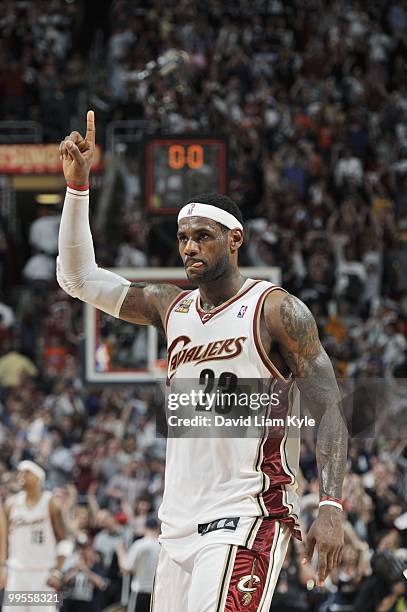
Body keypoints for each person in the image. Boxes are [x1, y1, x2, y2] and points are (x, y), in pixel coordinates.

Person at [57, 111, 347, 611]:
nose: (190, 246)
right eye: (184, 237)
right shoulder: (169, 307)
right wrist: (78, 189)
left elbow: (331, 411)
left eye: (204, 236)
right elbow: (78, 278)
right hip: (176, 526)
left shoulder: (276, 310)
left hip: (247, 514)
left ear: (235, 240)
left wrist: (331, 505)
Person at [1, 461, 72, 612]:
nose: (21, 476)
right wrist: (2, 567)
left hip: (43, 575)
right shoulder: (11, 503)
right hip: (17, 574)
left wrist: (57, 571)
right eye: (20, 472)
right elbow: (4, 539)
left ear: (39, 476)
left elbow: (65, 540)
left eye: (27, 472)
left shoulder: (51, 503)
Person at [116, 517, 160, 612]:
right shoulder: (162, 545)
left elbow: (126, 569)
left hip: (140, 591)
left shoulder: (140, 545)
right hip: (157, 594)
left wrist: (120, 551)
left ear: (145, 527)